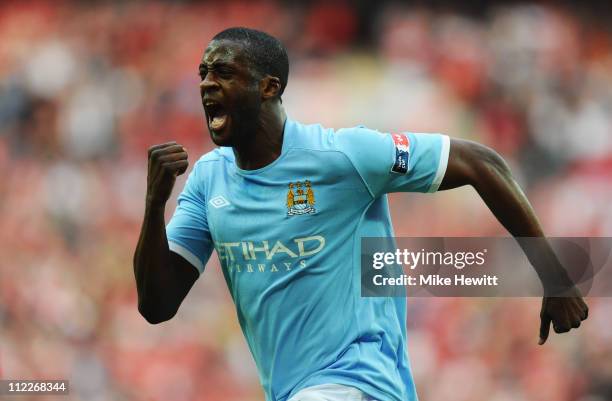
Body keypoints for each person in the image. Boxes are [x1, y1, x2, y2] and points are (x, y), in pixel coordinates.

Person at [133, 27, 588, 401]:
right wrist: (154, 205)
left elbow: (482, 163)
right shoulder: (208, 180)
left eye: (224, 72)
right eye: (203, 73)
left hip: (361, 383)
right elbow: (157, 305)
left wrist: (555, 276)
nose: (206, 83)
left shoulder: (343, 154)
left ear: (269, 86)